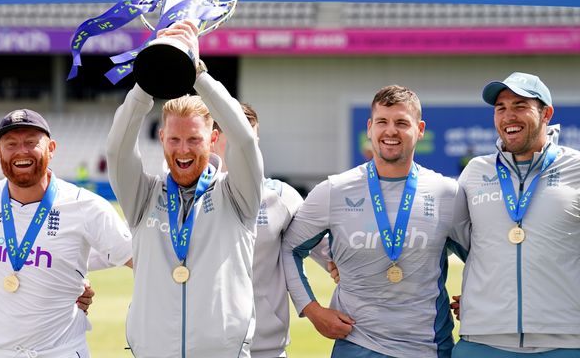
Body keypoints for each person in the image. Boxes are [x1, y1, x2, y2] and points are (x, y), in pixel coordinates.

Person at [106, 21, 263, 357]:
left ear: (213, 139)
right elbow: (117, 149)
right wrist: (147, 78)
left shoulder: (237, 196)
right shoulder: (143, 197)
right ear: (162, 138)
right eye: (174, 139)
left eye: (194, 139)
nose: (183, 149)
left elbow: (246, 142)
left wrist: (197, 73)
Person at [282, 85, 470, 358]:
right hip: (358, 345)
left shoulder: (446, 193)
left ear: (420, 129)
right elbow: (289, 247)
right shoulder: (334, 190)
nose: (390, 131)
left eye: (402, 123)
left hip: (429, 347)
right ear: (370, 128)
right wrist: (312, 310)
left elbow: (483, 255)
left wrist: (479, 299)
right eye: (382, 121)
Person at [0, 108, 133, 358]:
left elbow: (143, 261)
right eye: (11, 143)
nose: (21, 151)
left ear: (52, 148)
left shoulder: (87, 206)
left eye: (31, 142)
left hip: (62, 352)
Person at [453, 72, 580, 357]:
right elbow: (455, 238)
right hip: (483, 340)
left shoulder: (577, 168)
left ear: (546, 113)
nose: (508, 116)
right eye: (501, 108)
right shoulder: (475, 171)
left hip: (567, 341)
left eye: (520, 106)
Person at [212, 102, 329, 358]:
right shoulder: (196, 198)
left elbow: (330, 255)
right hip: (205, 348)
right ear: (213, 139)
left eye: (250, 142)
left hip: (265, 349)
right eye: (236, 140)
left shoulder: (281, 196)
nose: (245, 151)